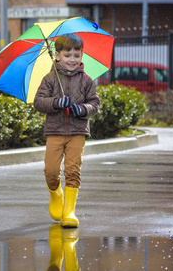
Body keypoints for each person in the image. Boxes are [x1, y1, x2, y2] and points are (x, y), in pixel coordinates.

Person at [34, 33, 100, 227]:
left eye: (76, 55)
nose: (72, 59)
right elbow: (38, 102)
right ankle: (56, 194)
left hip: (77, 132)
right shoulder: (50, 78)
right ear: (58, 55)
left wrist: (82, 109)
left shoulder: (86, 80)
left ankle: (69, 211)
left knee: (73, 170)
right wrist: (55, 102)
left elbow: (94, 103)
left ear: (81, 55)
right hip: (55, 131)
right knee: (51, 170)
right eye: (67, 55)